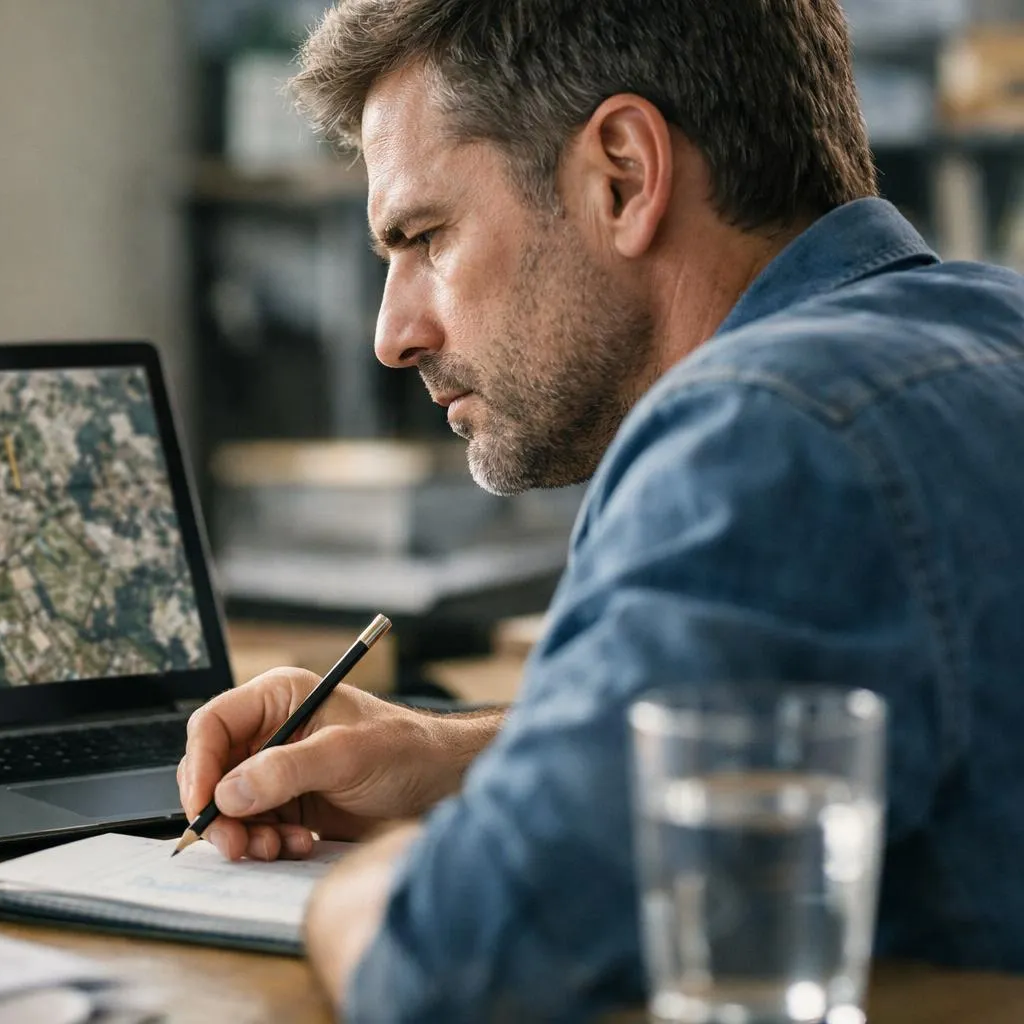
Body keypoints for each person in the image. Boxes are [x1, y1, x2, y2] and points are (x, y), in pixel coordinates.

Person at [177, 1, 1024, 1020]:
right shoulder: (988, 338)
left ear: (622, 173)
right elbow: (798, 736)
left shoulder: (764, 431)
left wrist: (367, 887)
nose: (392, 334)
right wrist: (451, 759)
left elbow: (455, 966)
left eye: (425, 236)